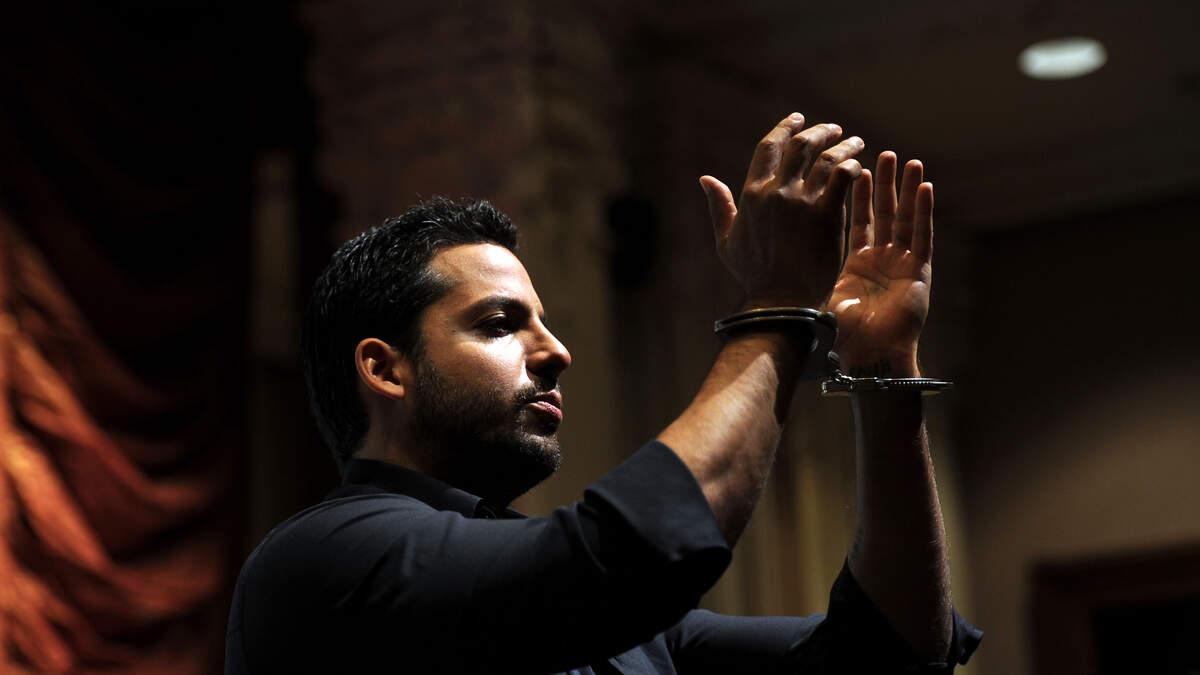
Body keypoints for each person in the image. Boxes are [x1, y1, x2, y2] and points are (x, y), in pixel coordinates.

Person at [225, 113, 982, 674]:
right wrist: (777, 307)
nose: (557, 352)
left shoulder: (632, 627)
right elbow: (629, 557)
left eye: (544, 323)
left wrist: (885, 370)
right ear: (386, 369)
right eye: (499, 324)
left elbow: (889, 653)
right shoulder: (325, 559)